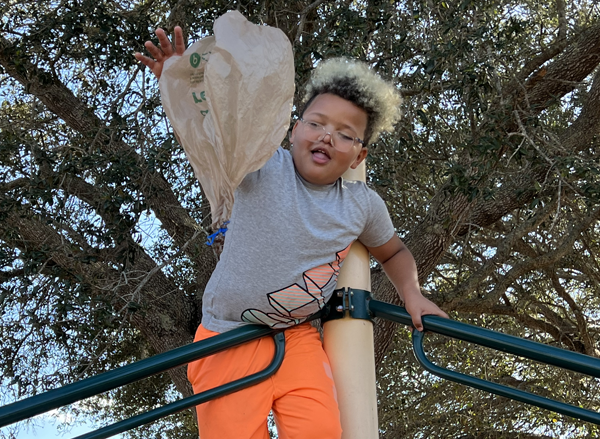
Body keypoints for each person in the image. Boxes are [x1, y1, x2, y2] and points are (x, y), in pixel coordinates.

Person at [136, 25, 448, 439]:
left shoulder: (361, 205)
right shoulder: (260, 163)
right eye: (317, 123)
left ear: (360, 152)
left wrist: (412, 293)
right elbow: (211, 131)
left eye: (345, 134)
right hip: (227, 335)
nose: (326, 136)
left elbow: (393, 252)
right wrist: (179, 78)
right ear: (294, 128)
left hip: (298, 337)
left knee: (321, 430)